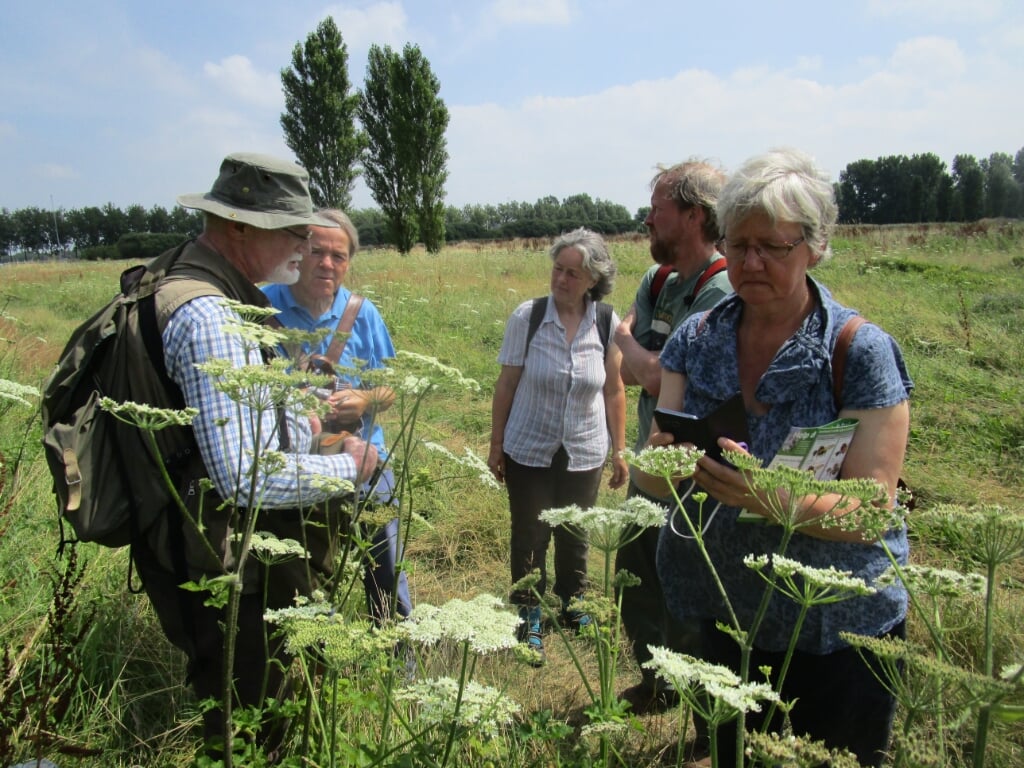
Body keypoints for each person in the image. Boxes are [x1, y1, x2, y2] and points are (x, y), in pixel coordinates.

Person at [635, 148, 912, 767]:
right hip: (726, 616)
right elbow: (655, 465)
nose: (750, 262)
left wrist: (762, 495)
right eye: (737, 246)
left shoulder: (859, 352)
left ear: (813, 247)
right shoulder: (696, 338)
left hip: (834, 634)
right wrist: (671, 466)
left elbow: (872, 510)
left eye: (773, 247)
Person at [131, 153, 378, 754]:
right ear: (239, 227)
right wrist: (349, 466)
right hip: (237, 555)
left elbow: (229, 427)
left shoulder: (190, 277)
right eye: (293, 231)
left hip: (217, 540)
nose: (304, 246)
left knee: (251, 697)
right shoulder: (213, 314)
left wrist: (302, 422)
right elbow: (243, 475)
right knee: (260, 713)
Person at [613, 160, 731, 715]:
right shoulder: (658, 281)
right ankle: (656, 681)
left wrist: (626, 343)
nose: (647, 221)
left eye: (657, 211)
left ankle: (703, 700)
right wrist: (641, 360)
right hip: (649, 465)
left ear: (694, 214)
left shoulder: (723, 291)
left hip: (702, 478)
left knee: (692, 588)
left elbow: (657, 376)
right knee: (636, 577)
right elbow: (629, 371)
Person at [262, 208, 413, 624]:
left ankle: (398, 657)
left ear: (348, 262)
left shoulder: (363, 313)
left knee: (384, 560)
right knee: (293, 569)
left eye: (339, 256)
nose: (327, 264)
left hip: (365, 459)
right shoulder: (261, 306)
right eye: (317, 252)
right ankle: (313, 659)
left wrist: (365, 400)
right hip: (290, 465)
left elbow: (392, 387)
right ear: (297, 252)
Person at [488, 227, 628, 665]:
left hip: (585, 449)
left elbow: (614, 390)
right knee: (529, 534)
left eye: (572, 273)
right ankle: (529, 614)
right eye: (558, 269)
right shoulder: (526, 318)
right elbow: (506, 385)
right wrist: (496, 445)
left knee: (575, 533)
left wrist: (620, 449)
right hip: (528, 446)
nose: (561, 280)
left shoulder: (606, 322)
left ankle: (573, 605)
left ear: (592, 280)